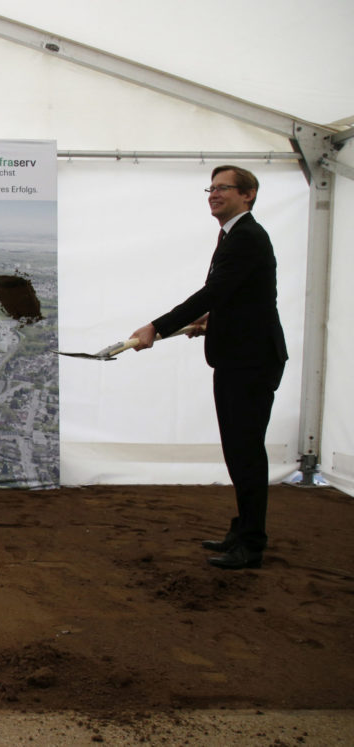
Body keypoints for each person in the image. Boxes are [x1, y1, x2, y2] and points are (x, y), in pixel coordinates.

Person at [129, 165, 288, 570]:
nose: (213, 194)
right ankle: (242, 529)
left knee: (246, 452)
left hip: (251, 362)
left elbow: (214, 291)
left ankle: (252, 543)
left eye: (223, 188)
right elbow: (242, 297)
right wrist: (212, 321)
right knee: (238, 451)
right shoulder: (233, 234)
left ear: (248, 194)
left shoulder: (247, 236)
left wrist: (156, 327)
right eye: (210, 188)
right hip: (237, 356)